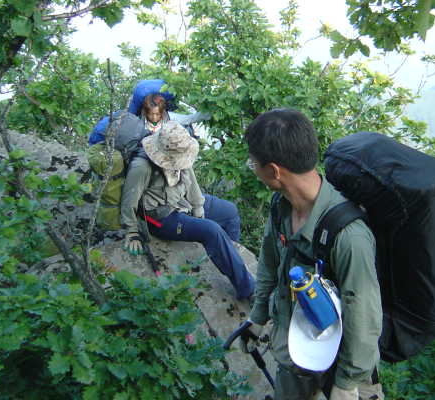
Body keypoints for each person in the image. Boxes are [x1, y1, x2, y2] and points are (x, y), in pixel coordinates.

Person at [241, 108, 383, 400]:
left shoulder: (348, 235)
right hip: (294, 359)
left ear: (274, 171)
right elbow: (270, 262)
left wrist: (347, 383)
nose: (252, 168)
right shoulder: (281, 207)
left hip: (339, 370)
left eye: (253, 162)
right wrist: (257, 318)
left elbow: (364, 314)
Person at [119, 120, 255, 300]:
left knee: (230, 212)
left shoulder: (181, 152)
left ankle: (230, 258)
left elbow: (190, 181)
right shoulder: (141, 167)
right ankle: (248, 289)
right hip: (161, 217)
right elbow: (129, 201)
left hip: (182, 201)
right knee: (211, 230)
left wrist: (198, 207)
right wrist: (132, 231)